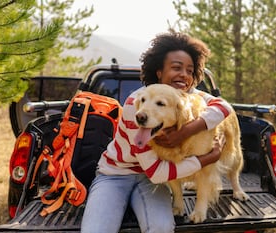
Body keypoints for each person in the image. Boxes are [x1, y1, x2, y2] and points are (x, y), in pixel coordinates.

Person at [81, 31, 234, 233]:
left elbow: (224, 107)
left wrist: (185, 131)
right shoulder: (137, 104)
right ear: (159, 72)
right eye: (176, 68)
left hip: (152, 181)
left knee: (161, 228)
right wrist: (207, 158)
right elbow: (156, 172)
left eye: (190, 70)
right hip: (115, 174)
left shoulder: (187, 97)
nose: (184, 75)